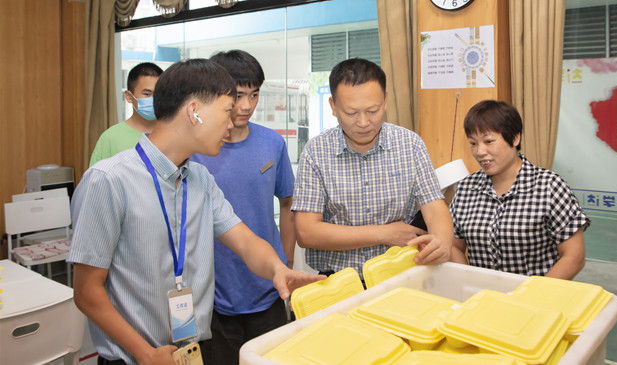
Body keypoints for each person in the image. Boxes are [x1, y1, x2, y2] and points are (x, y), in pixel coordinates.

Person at [68, 59, 322, 365]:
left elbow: (244, 241)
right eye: (226, 111)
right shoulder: (108, 180)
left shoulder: (200, 178)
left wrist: (277, 269)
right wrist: (146, 353)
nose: (231, 124)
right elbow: (86, 292)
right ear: (194, 111)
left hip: (190, 351)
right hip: (137, 358)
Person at [293, 58, 461, 280]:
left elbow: (435, 208)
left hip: (403, 277)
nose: (363, 122)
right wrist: (385, 233)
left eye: (372, 111)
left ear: (385, 101)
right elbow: (307, 232)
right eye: (351, 113)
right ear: (333, 106)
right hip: (340, 282)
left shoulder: (410, 144)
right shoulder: (316, 152)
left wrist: (441, 243)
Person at [190, 50, 295, 365]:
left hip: (268, 289)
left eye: (254, 94)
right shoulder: (195, 151)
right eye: (237, 96)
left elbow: (287, 203)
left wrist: (285, 260)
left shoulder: (272, 143)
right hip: (213, 297)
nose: (247, 105)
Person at [450, 99, 590, 279]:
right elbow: (454, 246)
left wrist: (531, 293)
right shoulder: (466, 189)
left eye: (488, 141)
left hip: (536, 294)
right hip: (482, 293)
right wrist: (469, 282)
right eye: (473, 143)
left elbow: (574, 257)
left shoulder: (549, 186)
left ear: (515, 138)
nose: (480, 151)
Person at [89, 62, 163, 166]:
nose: (154, 99)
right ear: (129, 96)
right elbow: (97, 175)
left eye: (159, 93)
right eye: (147, 94)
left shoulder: (173, 134)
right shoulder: (110, 138)